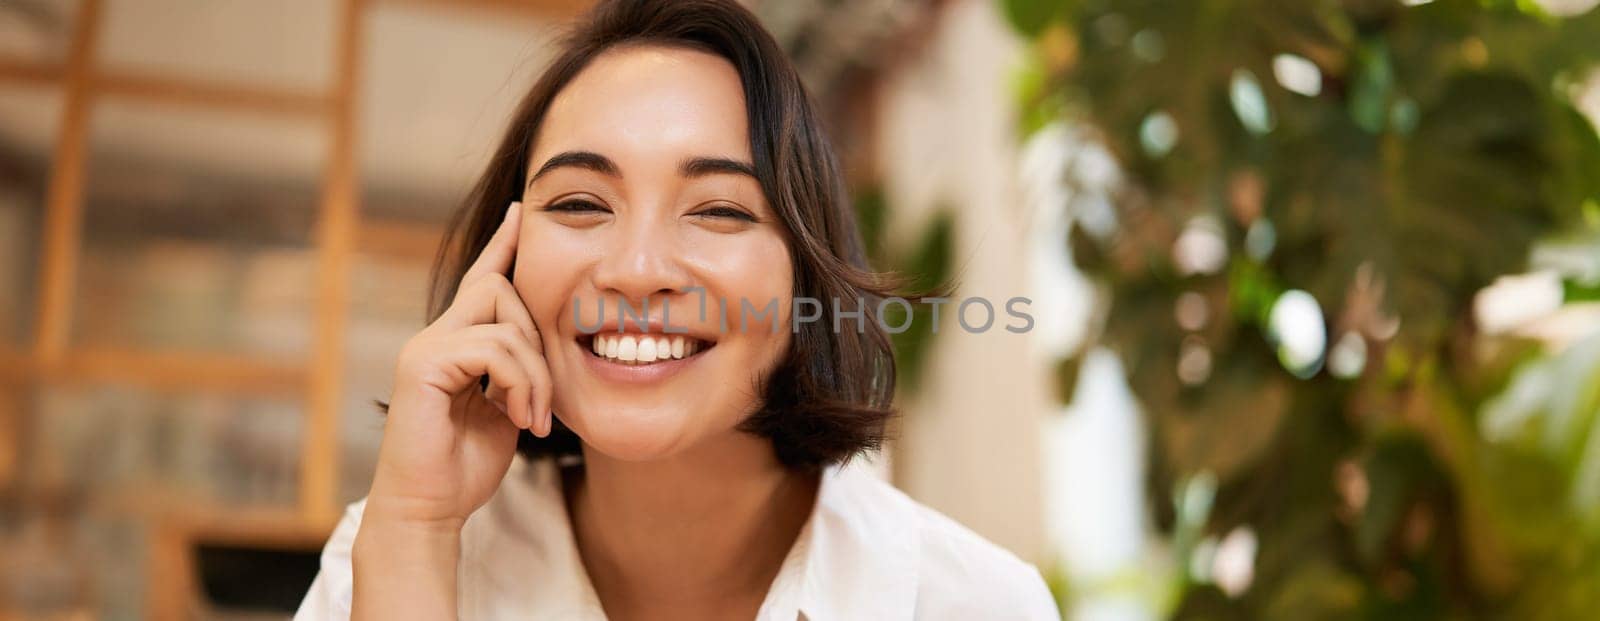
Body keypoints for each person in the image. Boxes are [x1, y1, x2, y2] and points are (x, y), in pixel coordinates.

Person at [294, 0, 1057, 618]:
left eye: (719, 210)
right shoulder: (389, 552)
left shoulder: (971, 601)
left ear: (807, 280)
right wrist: (418, 533)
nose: (637, 270)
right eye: (583, 202)